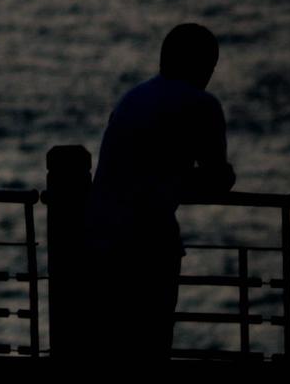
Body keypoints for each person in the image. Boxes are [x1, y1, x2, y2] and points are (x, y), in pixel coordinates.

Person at [85, 23, 235, 362]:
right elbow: (216, 176)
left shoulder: (133, 98)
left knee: (107, 345)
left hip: (98, 239)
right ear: (205, 66)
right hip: (148, 242)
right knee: (152, 341)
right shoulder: (201, 104)